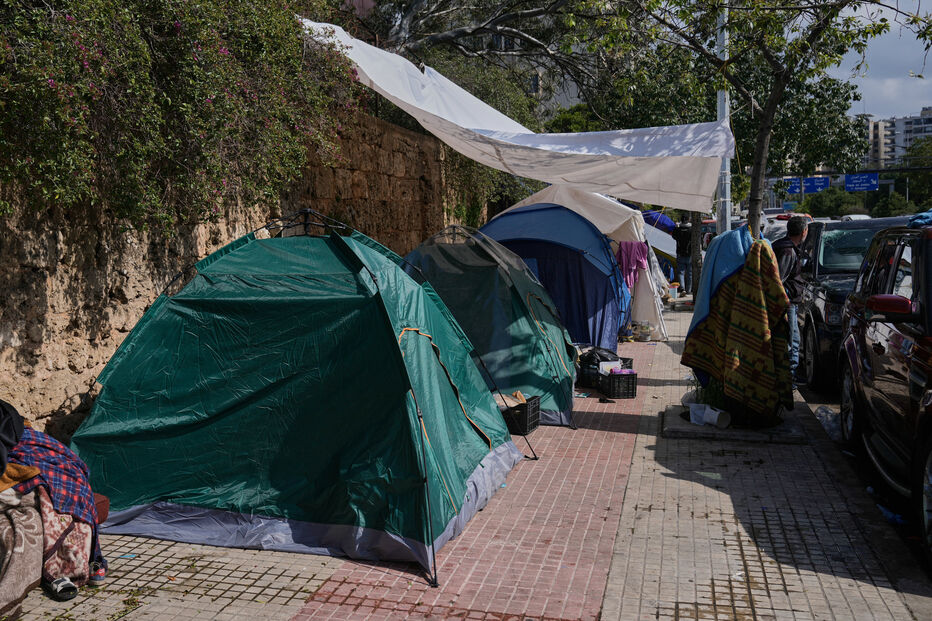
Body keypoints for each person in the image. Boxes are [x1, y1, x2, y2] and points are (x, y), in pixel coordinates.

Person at [772, 216, 809, 386]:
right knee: (792, 341)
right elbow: (778, 280)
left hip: (787, 301)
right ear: (803, 232)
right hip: (787, 303)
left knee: (791, 340)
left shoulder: (785, 247)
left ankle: (788, 375)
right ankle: (790, 377)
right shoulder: (788, 251)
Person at [672, 215, 693, 296]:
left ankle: (682, 289)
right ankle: (688, 290)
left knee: (681, 272)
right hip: (689, 254)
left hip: (680, 253)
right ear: (688, 220)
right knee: (689, 273)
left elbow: (673, 236)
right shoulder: (691, 230)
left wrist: (676, 227)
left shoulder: (678, 229)